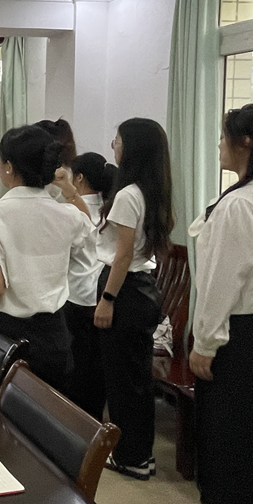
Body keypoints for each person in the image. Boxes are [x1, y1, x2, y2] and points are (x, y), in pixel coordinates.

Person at [190, 103, 253, 504]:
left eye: (224, 136)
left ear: (246, 143)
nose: (219, 144)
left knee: (240, 442)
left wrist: (205, 343)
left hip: (242, 338)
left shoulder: (242, 204)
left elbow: (221, 281)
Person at [0, 125, 94, 393]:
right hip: (56, 335)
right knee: (48, 412)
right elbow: (87, 226)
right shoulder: (66, 213)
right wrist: (70, 191)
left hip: (9, 335)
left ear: (9, 167)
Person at [95, 118, 173, 481]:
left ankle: (130, 457)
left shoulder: (127, 195)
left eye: (118, 140)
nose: (114, 145)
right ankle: (141, 454)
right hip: (142, 289)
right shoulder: (150, 191)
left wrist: (107, 298)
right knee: (137, 379)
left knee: (122, 382)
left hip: (124, 290)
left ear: (132, 149)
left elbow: (122, 255)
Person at [62, 152, 116, 419]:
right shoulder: (110, 208)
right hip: (101, 294)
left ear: (79, 178)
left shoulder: (72, 212)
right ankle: (93, 422)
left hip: (76, 295)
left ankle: (74, 422)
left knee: (76, 366)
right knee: (96, 367)